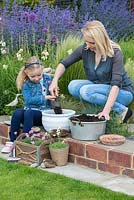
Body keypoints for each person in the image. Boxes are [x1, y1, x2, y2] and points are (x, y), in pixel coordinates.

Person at [49, 20, 134, 123]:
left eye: (92, 43)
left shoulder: (115, 53)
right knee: (73, 86)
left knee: (86, 91)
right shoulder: (85, 49)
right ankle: (97, 105)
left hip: (122, 92)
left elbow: (115, 85)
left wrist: (106, 111)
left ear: (100, 40)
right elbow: (64, 63)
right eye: (86, 41)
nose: (88, 45)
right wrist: (55, 81)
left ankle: (123, 110)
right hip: (99, 86)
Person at [1, 56, 56, 153]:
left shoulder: (49, 79)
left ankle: (26, 142)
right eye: (33, 76)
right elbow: (29, 100)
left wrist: (54, 91)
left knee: (28, 112)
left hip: (42, 113)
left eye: (39, 75)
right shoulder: (26, 84)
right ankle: (12, 142)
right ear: (26, 73)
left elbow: (54, 91)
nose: (36, 78)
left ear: (42, 69)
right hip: (29, 113)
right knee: (17, 112)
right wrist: (44, 98)